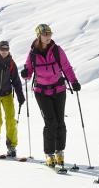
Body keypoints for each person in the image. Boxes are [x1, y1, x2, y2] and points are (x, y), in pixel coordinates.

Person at [20, 24, 81, 167]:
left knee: (60, 121)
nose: (48, 37)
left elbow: (66, 67)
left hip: (59, 90)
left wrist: (74, 81)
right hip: (41, 92)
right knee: (50, 122)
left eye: (49, 34)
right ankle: (49, 154)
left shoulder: (57, 50)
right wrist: (25, 74)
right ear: (39, 36)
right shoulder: (33, 54)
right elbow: (28, 72)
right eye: (45, 34)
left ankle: (59, 151)